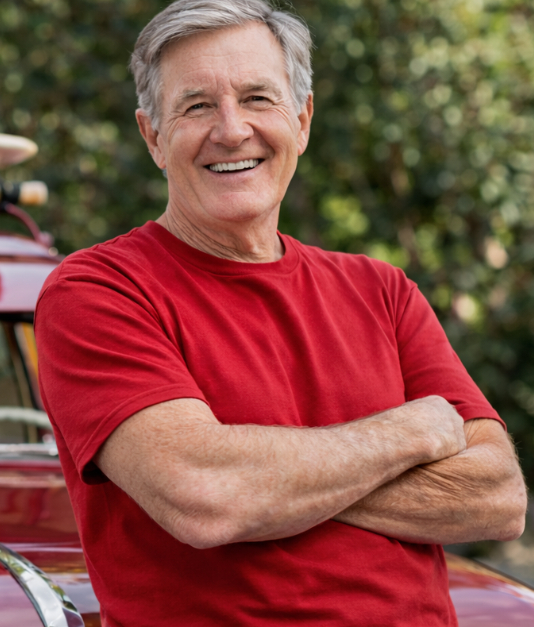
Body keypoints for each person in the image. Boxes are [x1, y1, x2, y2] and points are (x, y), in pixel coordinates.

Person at [34, 1, 527, 625]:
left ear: (303, 120)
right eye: (197, 106)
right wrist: (409, 433)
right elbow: (205, 497)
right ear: (153, 136)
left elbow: (497, 497)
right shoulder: (98, 291)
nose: (231, 129)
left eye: (258, 98)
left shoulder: (382, 290)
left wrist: (271, 487)